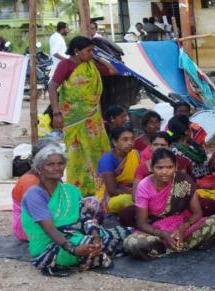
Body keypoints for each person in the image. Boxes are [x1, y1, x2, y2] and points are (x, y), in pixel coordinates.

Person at [20, 144, 131, 276]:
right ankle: (110, 250)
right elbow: (49, 229)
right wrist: (74, 249)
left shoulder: (70, 190)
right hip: (50, 247)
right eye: (50, 164)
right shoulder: (34, 195)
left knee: (125, 233)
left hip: (76, 235)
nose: (57, 168)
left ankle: (108, 248)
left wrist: (96, 235)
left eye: (60, 163)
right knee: (91, 245)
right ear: (39, 168)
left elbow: (85, 218)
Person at [122, 149, 215, 259]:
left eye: (169, 167)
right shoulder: (144, 186)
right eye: (159, 168)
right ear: (152, 168)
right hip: (156, 231)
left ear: (175, 167)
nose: (165, 172)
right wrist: (164, 235)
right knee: (133, 243)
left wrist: (181, 229)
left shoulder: (183, 181)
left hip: (182, 226)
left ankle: (171, 246)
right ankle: (178, 245)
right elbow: (141, 223)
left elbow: (197, 213)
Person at [48, 36, 117, 196]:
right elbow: (52, 87)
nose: (91, 53)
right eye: (88, 51)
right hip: (73, 119)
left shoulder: (90, 66)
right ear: (76, 51)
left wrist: (98, 57)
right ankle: (79, 189)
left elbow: (113, 70)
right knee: (76, 154)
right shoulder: (66, 65)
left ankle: (98, 187)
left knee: (96, 151)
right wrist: (56, 112)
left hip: (92, 118)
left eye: (92, 50)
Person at [96, 126, 139, 214]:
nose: (130, 143)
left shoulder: (136, 154)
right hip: (111, 197)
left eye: (132, 139)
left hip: (134, 192)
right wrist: (134, 192)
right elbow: (112, 191)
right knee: (123, 201)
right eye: (125, 140)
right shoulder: (107, 159)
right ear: (115, 142)